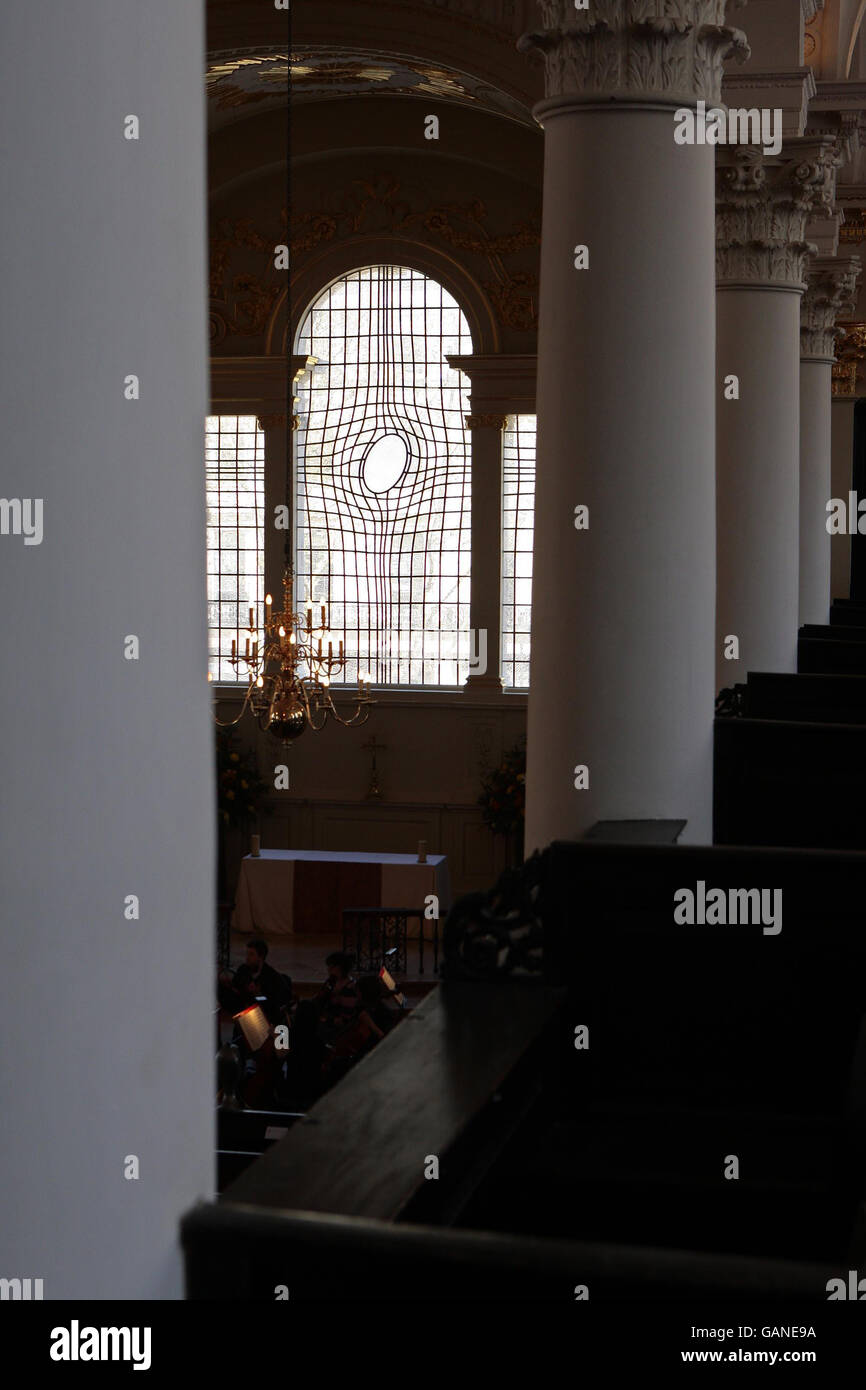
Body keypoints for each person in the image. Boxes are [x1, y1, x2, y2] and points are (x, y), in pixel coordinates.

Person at [218, 938, 292, 1026]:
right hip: (242, 1010)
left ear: (261, 957)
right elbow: (236, 988)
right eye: (247, 954)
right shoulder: (243, 970)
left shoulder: (271, 977)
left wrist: (258, 994)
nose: (247, 958)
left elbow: (273, 1001)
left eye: (251, 954)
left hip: (262, 1016)